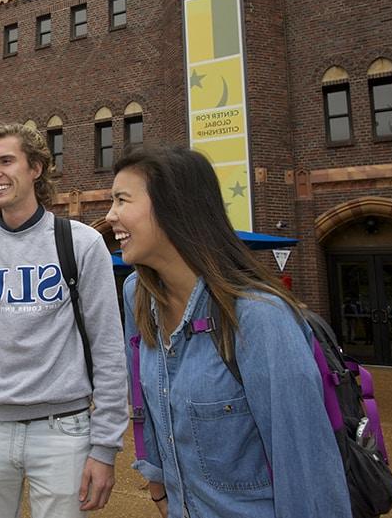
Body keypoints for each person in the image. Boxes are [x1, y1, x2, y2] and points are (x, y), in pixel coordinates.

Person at [107, 145, 351, 518]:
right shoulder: (137, 297)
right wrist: (159, 486)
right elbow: (147, 410)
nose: (110, 216)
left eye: (122, 200)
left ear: (174, 206)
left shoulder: (260, 318)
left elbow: (308, 471)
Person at [0, 122, 128, 517]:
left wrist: (105, 446)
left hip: (64, 430)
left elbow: (108, 347)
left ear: (36, 168)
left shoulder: (82, 243)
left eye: (6, 161)